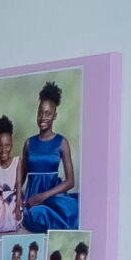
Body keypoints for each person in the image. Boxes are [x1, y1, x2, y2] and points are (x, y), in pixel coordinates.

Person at [21, 82, 79, 231]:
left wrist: (43, 196)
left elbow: (70, 181)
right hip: (32, 197)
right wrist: (14, 196)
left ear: (54, 115)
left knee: (71, 209)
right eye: (40, 112)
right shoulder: (29, 143)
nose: (43, 117)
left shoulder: (61, 142)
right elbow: (20, 178)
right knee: (33, 215)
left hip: (52, 196)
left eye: (48, 113)